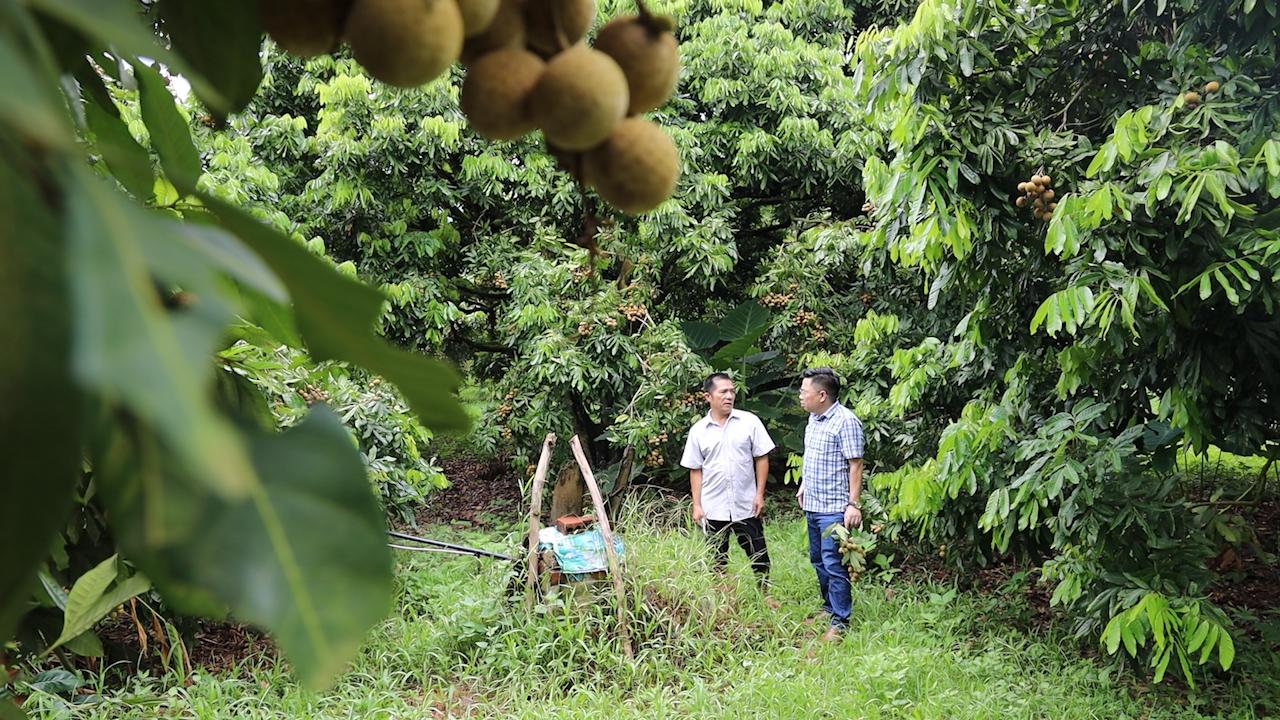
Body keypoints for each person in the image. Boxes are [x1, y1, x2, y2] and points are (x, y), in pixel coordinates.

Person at [680, 372, 779, 607]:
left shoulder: (749, 422)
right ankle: (722, 596)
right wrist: (697, 505)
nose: (729, 396)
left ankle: (765, 594)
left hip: (746, 503)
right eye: (723, 392)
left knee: (758, 552)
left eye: (732, 391)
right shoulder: (699, 431)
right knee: (717, 554)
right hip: (713, 506)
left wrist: (759, 494)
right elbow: (695, 469)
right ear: (708, 396)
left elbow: (761, 458)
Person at [795, 367, 865, 642]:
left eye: (804, 392)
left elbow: (855, 464)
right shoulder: (814, 418)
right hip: (813, 503)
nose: (801, 396)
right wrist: (804, 483)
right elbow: (814, 456)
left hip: (834, 508)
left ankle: (840, 621)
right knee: (817, 560)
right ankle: (828, 608)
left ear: (821, 395)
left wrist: (853, 504)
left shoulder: (846, 422)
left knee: (834, 564)